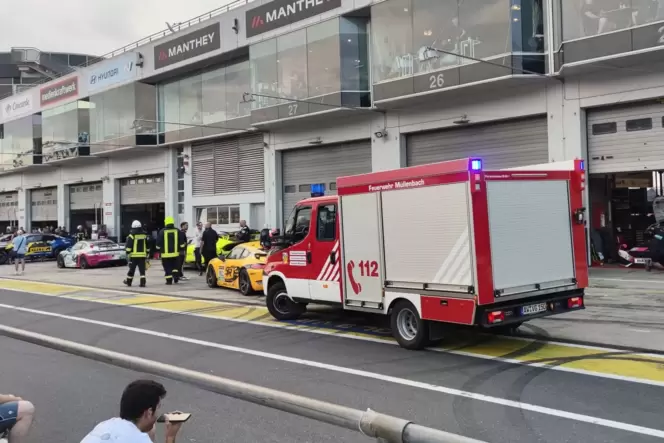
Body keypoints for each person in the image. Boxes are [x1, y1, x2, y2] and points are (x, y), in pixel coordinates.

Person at [80, 379, 183, 443]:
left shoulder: (105, 425)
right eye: (158, 407)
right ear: (149, 412)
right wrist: (170, 436)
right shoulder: (139, 439)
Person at [157, 217, 186, 285]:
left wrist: (158, 249)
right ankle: (176, 277)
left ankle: (169, 281)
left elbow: (158, 243)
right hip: (176, 254)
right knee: (175, 267)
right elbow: (182, 243)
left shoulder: (162, 231)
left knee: (167, 268)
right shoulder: (177, 231)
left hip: (165, 255)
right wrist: (181, 249)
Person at [124, 220, 149, 288]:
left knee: (132, 270)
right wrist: (147, 252)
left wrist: (127, 252)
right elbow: (147, 245)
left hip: (134, 256)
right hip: (142, 256)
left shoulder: (131, 235)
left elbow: (129, 245)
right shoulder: (144, 235)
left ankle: (129, 282)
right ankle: (143, 283)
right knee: (142, 270)